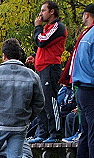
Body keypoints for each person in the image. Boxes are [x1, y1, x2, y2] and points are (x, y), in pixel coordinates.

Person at [27, 1, 67, 144]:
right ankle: (42, 132)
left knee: (50, 101)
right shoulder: (47, 27)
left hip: (51, 68)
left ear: (52, 12)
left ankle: (55, 132)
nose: (40, 14)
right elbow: (44, 47)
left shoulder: (58, 26)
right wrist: (36, 57)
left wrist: (37, 27)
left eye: (43, 10)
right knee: (41, 102)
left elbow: (42, 41)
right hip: (41, 68)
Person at [73, 4, 94, 158]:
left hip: (81, 87)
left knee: (86, 132)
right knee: (92, 133)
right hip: (91, 87)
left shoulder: (84, 36)